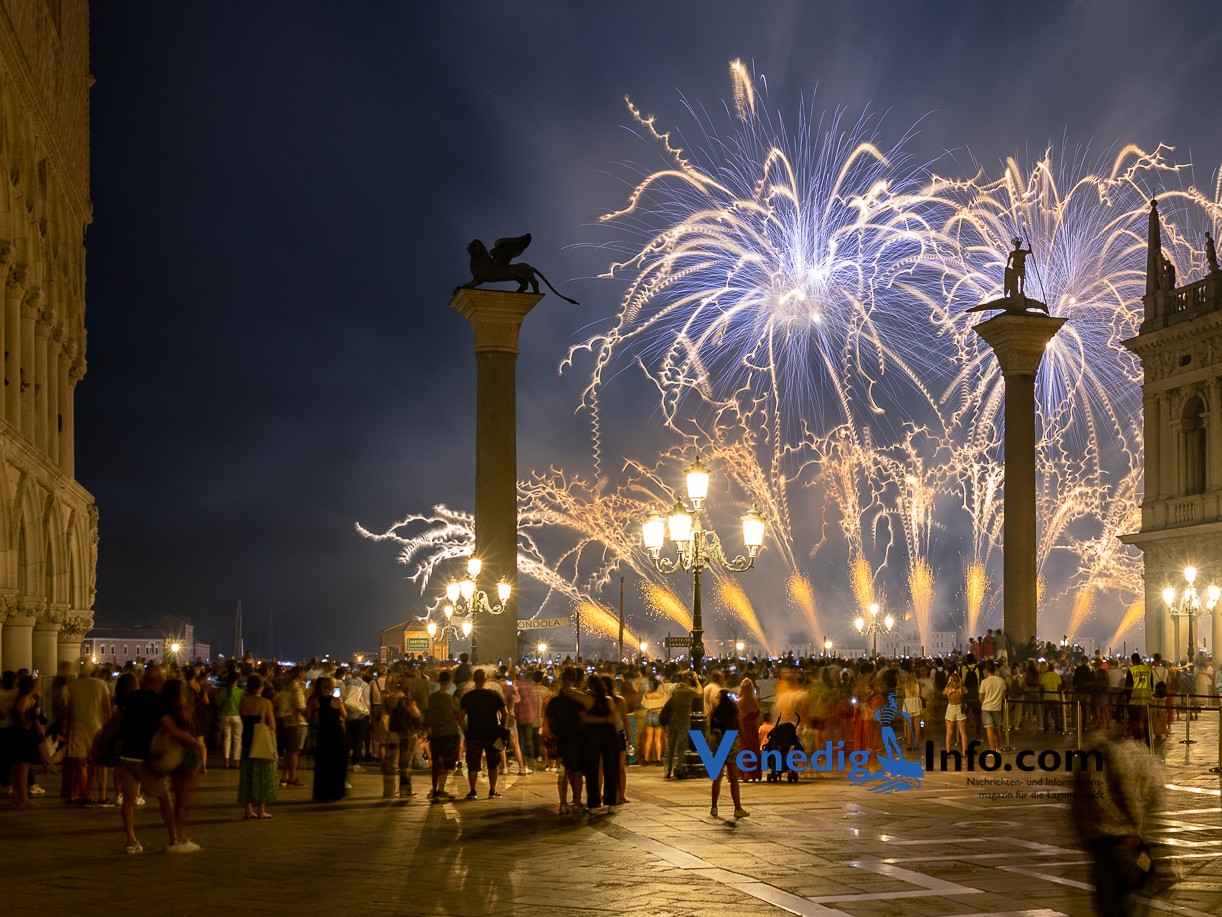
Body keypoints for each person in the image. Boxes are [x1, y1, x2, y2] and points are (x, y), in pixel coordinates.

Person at [1072, 727, 1164, 916]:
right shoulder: (1119, 755)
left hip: (1096, 839)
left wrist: (1083, 831)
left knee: (1106, 901)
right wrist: (1136, 827)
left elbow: (1076, 803)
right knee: (1132, 895)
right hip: (1122, 838)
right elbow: (1129, 794)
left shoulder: (1087, 756)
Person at [116, 664, 205, 854]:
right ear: (158, 681)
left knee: (128, 800)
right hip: (144, 757)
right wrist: (195, 743)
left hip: (125, 754)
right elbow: (172, 729)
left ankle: (131, 839)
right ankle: (173, 839)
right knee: (163, 798)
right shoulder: (157, 702)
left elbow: (118, 718)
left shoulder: (131, 697)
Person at [160, 678, 204, 850]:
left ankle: (178, 835)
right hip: (186, 754)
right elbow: (185, 726)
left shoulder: (167, 707)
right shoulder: (179, 707)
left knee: (181, 799)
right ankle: (180, 836)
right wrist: (196, 743)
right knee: (183, 800)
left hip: (177, 755)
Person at [459, 668, 506, 800]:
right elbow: (505, 713)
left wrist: (464, 731)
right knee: (493, 763)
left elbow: (460, 716)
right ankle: (492, 790)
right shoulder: (494, 694)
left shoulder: (467, 696)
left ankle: (472, 791)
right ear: (486, 679)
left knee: (473, 763)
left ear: (474, 679)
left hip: (473, 733)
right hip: (492, 733)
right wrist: (502, 728)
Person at [236, 674, 278, 819]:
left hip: (247, 741)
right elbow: (272, 726)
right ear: (261, 687)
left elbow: (243, 720)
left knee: (247, 777)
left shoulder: (242, 702)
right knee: (263, 777)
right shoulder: (265, 703)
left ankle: (248, 809)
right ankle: (261, 810)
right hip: (261, 743)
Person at [707, 690, 748, 819]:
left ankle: (714, 807)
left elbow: (710, 730)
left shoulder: (714, 713)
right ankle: (737, 808)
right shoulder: (734, 712)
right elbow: (742, 731)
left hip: (719, 745)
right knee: (734, 780)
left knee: (717, 779)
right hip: (731, 744)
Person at [306, 675, 347, 803]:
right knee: (336, 761)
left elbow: (308, 715)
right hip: (336, 732)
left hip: (323, 732)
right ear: (333, 687)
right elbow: (345, 715)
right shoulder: (337, 700)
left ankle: (322, 792)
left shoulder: (315, 700)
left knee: (323, 762)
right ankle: (336, 791)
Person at [425, 669, 461, 802]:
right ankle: (441, 789)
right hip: (449, 732)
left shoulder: (432, 698)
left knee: (436, 762)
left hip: (436, 733)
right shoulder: (452, 699)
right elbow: (458, 715)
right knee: (446, 763)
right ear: (450, 682)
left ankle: (435, 790)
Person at [663, 672, 701, 779]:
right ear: (688, 680)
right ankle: (680, 768)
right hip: (683, 721)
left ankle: (668, 770)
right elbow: (700, 692)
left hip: (672, 720)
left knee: (671, 746)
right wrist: (696, 680)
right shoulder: (687, 691)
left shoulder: (673, 689)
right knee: (681, 746)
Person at [275, 666, 308, 787]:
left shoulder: (287, 686)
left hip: (287, 721)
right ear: (300, 674)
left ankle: (284, 776)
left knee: (289, 751)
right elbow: (300, 707)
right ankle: (292, 777)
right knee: (295, 752)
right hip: (297, 722)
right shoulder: (297, 688)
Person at [217, 671, 243, 768]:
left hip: (225, 716)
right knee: (237, 739)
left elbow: (219, 704)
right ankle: (236, 762)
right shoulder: (240, 692)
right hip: (237, 716)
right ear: (237, 680)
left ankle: (226, 762)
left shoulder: (223, 690)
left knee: (227, 739)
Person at [737, 677, 762, 781]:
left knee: (743, 748)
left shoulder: (739, 701)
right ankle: (754, 772)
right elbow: (758, 711)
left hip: (743, 727)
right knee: (753, 748)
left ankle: (744, 772)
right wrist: (752, 718)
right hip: (752, 727)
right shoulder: (753, 699)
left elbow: (737, 715)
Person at [979, 660, 1006, 751]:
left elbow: (980, 696)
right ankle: (998, 748)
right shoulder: (1001, 681)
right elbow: (1004, 693)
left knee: (989, 730)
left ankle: (992, 748)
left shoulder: (984, 682)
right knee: (997, 729)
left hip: (986, 707)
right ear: (995, 670)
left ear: (987, 670)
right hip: (997, 707)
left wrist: (983, 703)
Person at [944, 672, 967, 750]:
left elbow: (944, 692)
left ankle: (948, 750)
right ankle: (964, 751)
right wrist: (961, 682)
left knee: (949, 733)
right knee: (963, 732)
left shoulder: (948, 689)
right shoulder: (961, 689)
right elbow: (966, 691)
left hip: (951, 708)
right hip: (959, 707)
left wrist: (948, 683)